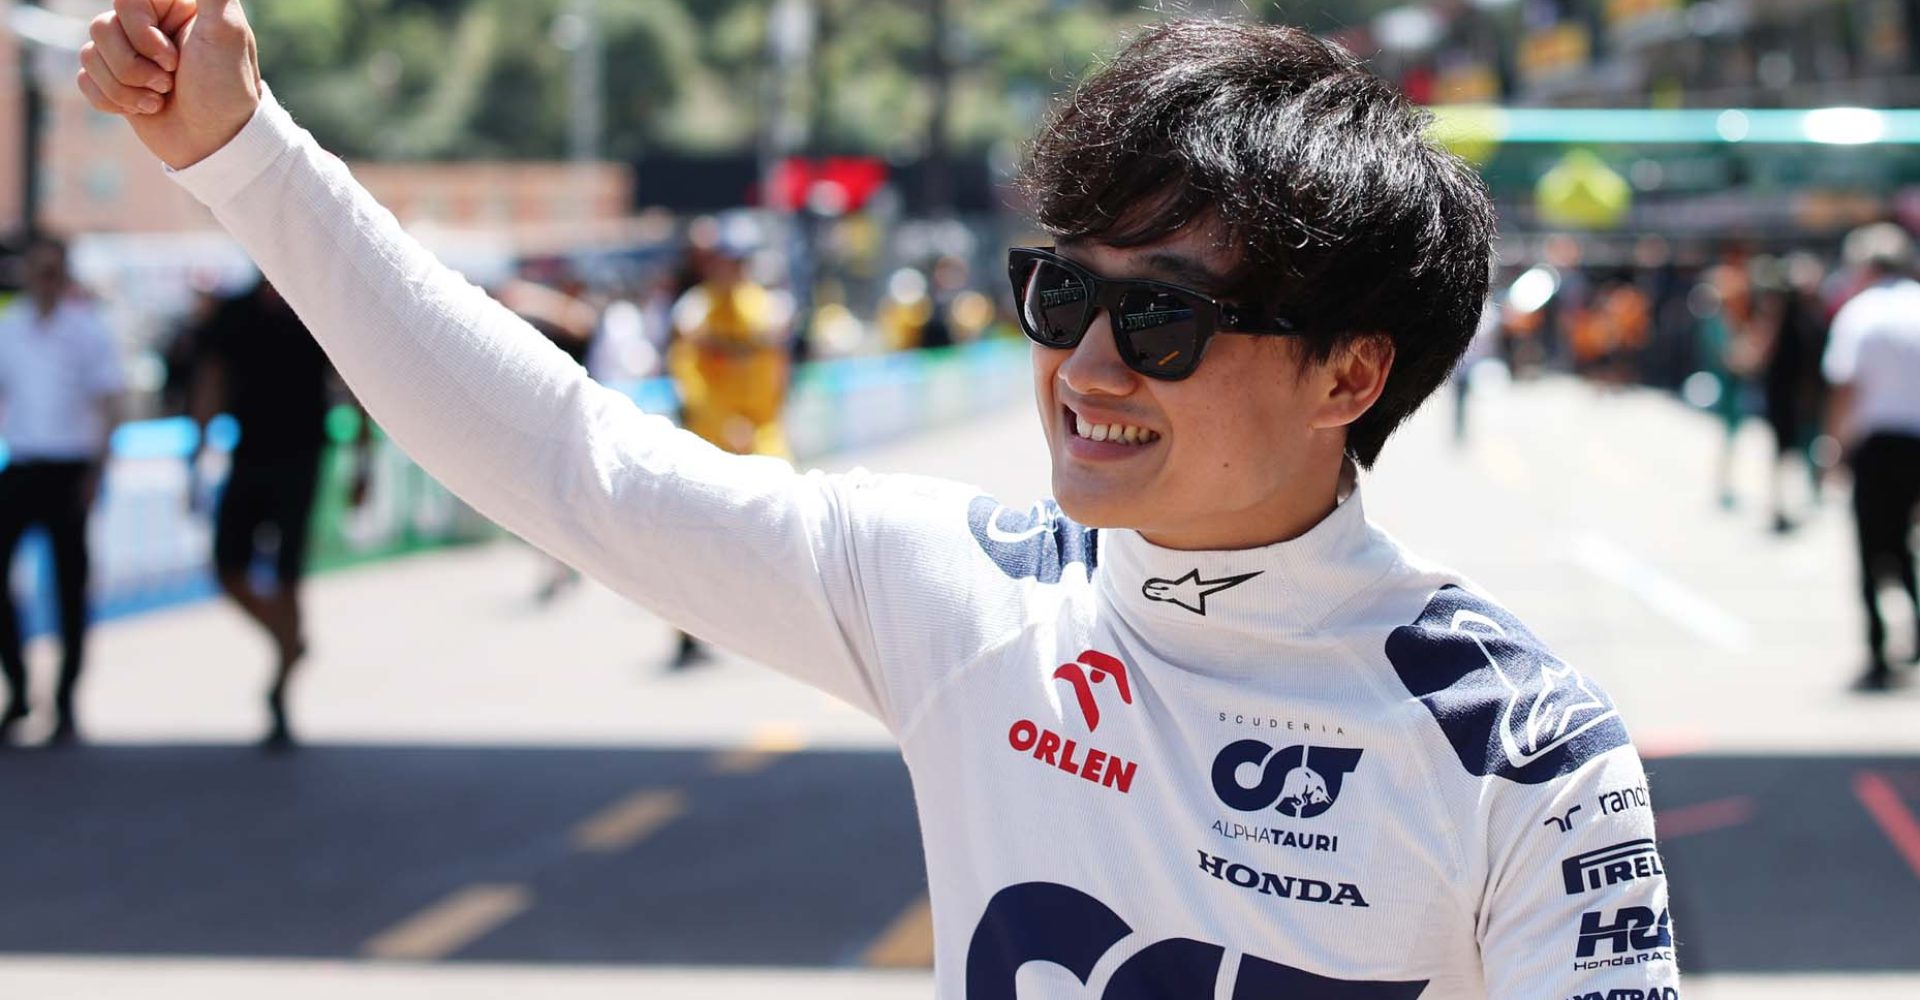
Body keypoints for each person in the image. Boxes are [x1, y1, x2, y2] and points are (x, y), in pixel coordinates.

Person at [83, 7, 1680, 996]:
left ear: (1350, 375)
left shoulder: (1522, 743)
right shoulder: (967, 592)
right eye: (1064, 294)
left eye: (1169, 319)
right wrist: (242, 154)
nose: (1092, 365)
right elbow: (568, 460)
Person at [188, 276, 371, 748]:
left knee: (288, 577)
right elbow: (212, 377)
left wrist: (362, 464)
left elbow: (356, 385)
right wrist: (197, 450)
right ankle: (289, 644)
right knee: (228, 570)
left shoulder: (318, 304)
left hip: (301, 461)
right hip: (248, 456)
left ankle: (282, 690)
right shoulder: (237, 310)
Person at [0, 235, 125, 746]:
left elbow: (109, 403)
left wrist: (97, 473)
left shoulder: (88, 330)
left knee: (71, 588)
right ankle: (20, 686)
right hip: (25, 463)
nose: (44, 281)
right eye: (38, 271)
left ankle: (67, 701)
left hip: (71, 469)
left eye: (53, 272)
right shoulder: (11, 328)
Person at [1822, 224, 1920, 692]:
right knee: (1903, 544)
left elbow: (1845, 387)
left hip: (1879, 446)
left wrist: (1834, 447)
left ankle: (1879, 648)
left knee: (1871, 548)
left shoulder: (1860, 313)